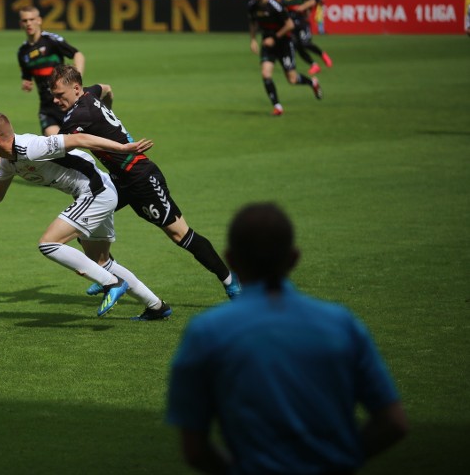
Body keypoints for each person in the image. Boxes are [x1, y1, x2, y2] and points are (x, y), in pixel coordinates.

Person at [167, 202, 408, 474]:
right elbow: (394, 423)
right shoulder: (341, 324)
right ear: (294, 257)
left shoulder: (207, 332)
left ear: (230, 260)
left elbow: (195, 449)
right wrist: (338, 459)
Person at [49, 65, 241, 300]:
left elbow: (55, 148)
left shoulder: (78, 115)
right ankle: (106, 272)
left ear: (76, 88)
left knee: (179, 234)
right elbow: (107, 89)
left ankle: (229, 280)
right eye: (54, 95)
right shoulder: (90, 92)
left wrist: (16, 154)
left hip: (141, 177)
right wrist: (108, 118)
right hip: (119, 180)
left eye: (60, 95)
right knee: (84, 226)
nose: (56, 100)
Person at [0, 112, 173, 320]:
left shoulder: (31, 147)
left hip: (96, 192)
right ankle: (156, 306)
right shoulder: (8, 161)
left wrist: (124, 148)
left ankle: (112, 283)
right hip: (97, 193)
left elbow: (79, 139)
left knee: (49, 244)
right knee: (101, 261)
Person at [248, 0, 323, 116]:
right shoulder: (252, 5)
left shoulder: (275, 6)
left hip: (284, 43)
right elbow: (253, 23)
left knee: (292, 79)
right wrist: (252, 39)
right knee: (265, 74)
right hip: (267, 42)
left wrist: (275, 38)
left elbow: (290, 25)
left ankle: (312, 83)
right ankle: (277, 106)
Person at [16, 5, 85, 136]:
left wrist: (77, 77)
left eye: (31, 19)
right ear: (21, 23)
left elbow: (77, 54)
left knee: (82, 143)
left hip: (66, 103)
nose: (28, 23)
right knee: (54, 145)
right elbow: (27, 78)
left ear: (39, 20)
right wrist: (26, 83)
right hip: (47, 108)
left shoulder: (51, 40)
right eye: (25, 21)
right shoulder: (22, 52)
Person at [279, 0, 333, 76]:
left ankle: (323, 55)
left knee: (305, 43)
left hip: (302, 22)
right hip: (292, 25)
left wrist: (302, 7)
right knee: (298, 47)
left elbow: (312, 1)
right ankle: (314, 65)